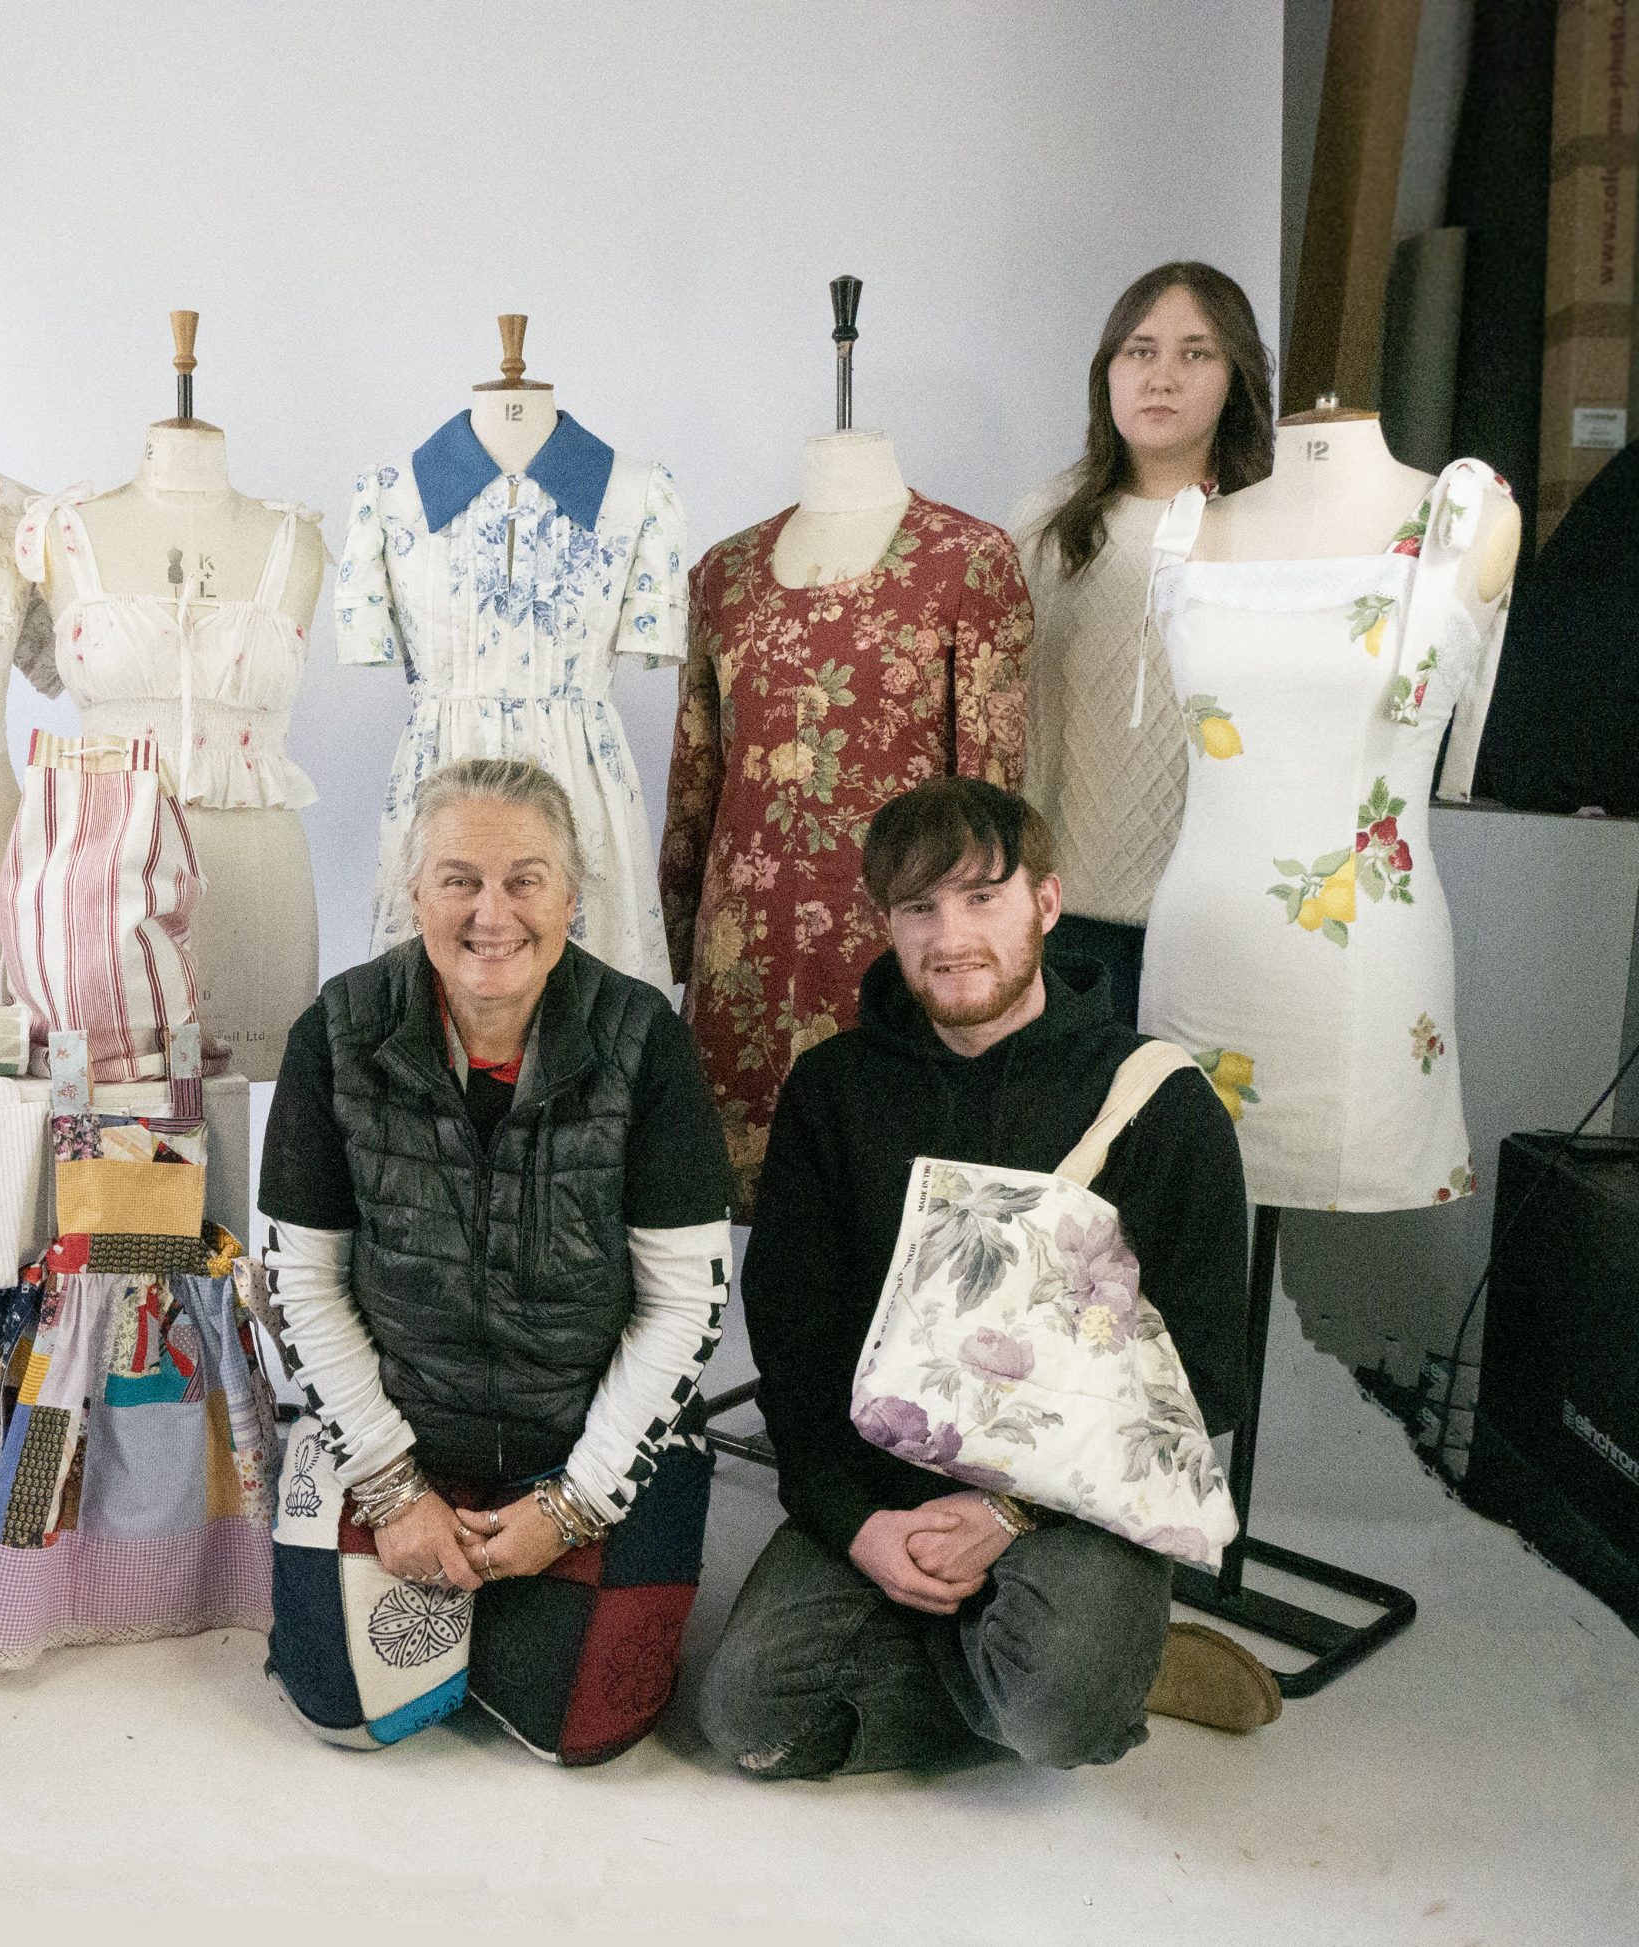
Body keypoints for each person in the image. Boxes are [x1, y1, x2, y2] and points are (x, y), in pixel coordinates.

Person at [699, 778, 1272, 1780]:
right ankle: (1053, 1667)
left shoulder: (1160, 1101)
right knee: (748, 1715)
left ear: (1045, 905)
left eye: (980, 898)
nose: (948, 936)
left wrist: (1011, 1516)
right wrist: (856, 1526)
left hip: (1074, 1503)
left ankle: (1075, 1674)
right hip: (887, 1484)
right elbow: (793, 1339)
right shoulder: (834, 1092)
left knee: (1057, 1715)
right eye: (917, 908)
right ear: (885, 922)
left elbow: (1208, 1373)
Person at [259, 757, 734, 1764]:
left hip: (582, 1441)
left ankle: (520, 1604)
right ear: (412, 891)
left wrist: (576, 1504)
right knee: (346, 1713)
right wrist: (390, 1489)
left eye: (525, 879)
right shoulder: (334, 1034)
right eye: (458, 879)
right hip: (398, 1434)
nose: (492, 912)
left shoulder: (646, 1041)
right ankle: (431, 1571)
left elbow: (683, 1307)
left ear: (571, 896)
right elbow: (301, 1284)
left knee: (574, 1729)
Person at [1011, 262, 1276, 1025]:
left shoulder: (1269, 530)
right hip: (1058, 901)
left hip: (1214, 907)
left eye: (1196, 353)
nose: (1162, 376)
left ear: (1237, 377)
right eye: (1140, 350)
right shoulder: (1043, 526)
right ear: (1107, 373)